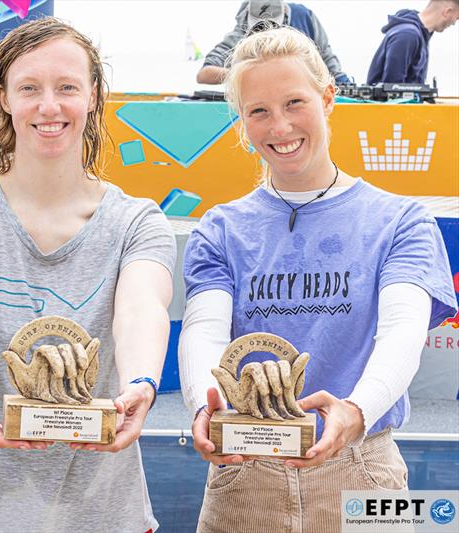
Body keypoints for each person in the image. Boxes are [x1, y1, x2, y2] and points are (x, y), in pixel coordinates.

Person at [179, 27, 456, 532]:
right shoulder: (220, 228)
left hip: (366, 469)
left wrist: (354, 412)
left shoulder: (401, 221)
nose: (279, 126)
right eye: (258, 111)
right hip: (242, 472)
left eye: (294, 102)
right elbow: (204, 330)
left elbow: (402, 332)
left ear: (328, 99)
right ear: (241, 122)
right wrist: (205, 403)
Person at [0, 17, 176, 533]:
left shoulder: (138, 222)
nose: (49, 107)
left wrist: (141, 381)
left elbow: (142, 308)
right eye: (29, 88)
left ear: (94, 96)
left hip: (106, 514)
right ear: (4, 97)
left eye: (67, 88)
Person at [197, 0, 350, 85]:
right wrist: (250, 74)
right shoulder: (242, 32)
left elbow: (329, 63)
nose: (268, 31)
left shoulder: (305, 18)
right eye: (260, 27)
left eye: (273, 25)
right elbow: (204, 74)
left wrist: (346, 86)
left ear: (284, 11)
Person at [367, 0, 459, 84]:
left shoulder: (419, 34)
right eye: (457, 18)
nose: (454, 23)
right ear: (447, 12)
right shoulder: (407, 35)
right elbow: (393, 90)